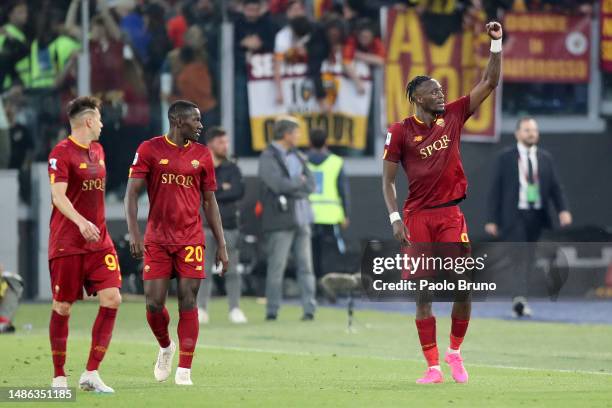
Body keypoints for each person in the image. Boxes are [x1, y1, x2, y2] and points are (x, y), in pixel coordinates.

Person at [381, 22, 503, 384]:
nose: (440, 94)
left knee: (463, 284)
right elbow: (387, 180)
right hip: (417, 218)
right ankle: (432, 367)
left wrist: (496, 43)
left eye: (440, 90)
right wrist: (394, 218)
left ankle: (454, 352)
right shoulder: (399, 131)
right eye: (433, 91)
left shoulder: (453, 115)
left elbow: (490, 83)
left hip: (450, 214)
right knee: (424, 292)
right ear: (417, 97)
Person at [124, 100, 228, 386]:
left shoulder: (202, 155)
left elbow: (209, 201)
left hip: (191, 238)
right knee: (154, 304)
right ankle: (166, 346)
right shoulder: (150, 149)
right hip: (157, 239)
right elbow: (131, 193)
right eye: (196, 120)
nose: (200, 125)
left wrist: (222, 243)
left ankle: (185, 369)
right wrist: (134, 233)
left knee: (188, 299)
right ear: (178, 121)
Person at [47, 96, 122, 392]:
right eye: (100, 119)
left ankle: (91, 373)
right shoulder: (61, 153)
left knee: (113, 297)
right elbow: (58, 196)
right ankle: (58, 377)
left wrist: (93, 226)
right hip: (68, 242)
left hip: (99, 241)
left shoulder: (98, 150)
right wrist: (80, 222)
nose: (103, 124)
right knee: (63, 306)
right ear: (89, 121)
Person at [485, 117, 572, 317]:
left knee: (530, 256)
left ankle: (521, 297)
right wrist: (492, 218)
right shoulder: (505, 158)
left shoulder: (545, 158)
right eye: (526, 130)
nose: (531, 133)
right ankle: (519, 299)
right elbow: (495, 190)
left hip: (537, 215)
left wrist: (563, 209)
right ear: (517, 134)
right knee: (519, 256)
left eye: (534, 130)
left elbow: (555, 188)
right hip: (514, 215)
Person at [258, 117, 317, 321]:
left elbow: (311, 185)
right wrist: (297, 183)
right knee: (277, 265)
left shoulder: (299, 156)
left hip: (302, 217)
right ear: (286, 134)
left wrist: (295, 186)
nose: (299, 136)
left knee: (306, 266)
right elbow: (277, 184)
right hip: (280, 219)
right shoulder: (268, 157)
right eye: (296, 133)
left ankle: (309, 309)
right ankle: (272, 310)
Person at [197, 127, 247, 324]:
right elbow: (201, 194)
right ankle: (201, 308)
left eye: (226, 142)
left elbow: (238, 191)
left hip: (229, 226)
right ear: (210, 144)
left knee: (232, 269)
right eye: (221, 142)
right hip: (206, 226)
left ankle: (235, 308)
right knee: (203, 269)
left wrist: (216, 191)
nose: (225, 146)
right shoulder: (200, 167)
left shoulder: (232, 167)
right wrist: (221, 189)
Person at [306, 128, 350, 278]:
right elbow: (343, 190)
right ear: (326, 142)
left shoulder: (302, 161)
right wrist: (345, 214)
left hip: (308, 215)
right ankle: (329, 286)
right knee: (331, 253)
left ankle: (315, 286)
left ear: (309, 142)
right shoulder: (336, 162)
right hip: (330, 217)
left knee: (311, 253)